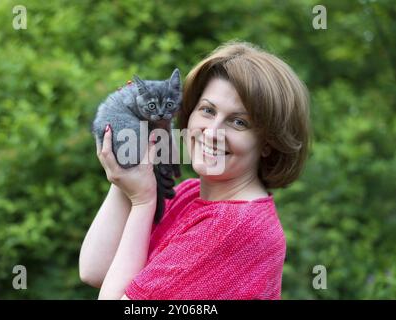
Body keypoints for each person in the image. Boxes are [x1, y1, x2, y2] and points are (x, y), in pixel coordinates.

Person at [79, 40, 311, 300]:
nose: (212, 133)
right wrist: (128, 168)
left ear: (268, 143)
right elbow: (96, 270)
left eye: (238, 122)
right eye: (208, 110)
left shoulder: (233, 226)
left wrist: (143, 201)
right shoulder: (190, 194)